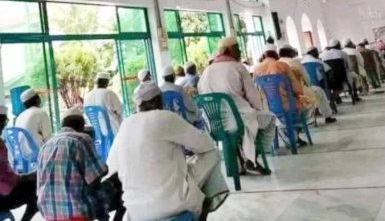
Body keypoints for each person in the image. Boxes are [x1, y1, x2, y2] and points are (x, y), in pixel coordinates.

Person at [106, 82, 229, 221]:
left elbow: (110, 166)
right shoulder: (166, 117)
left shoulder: (126, 124)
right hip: (172, 206)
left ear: (137, 105)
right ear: (160, 100)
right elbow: (205, 144)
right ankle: (206, 204)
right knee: (212, 152)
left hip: (135, 212)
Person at [198, 36, 276, 174]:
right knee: (270, 119)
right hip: (239, 121)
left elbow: (201, 94)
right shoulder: (238, 67)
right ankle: (252, 158)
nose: (240, 51)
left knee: (247, 127)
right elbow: (252, 95)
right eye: (238, 48)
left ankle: (243, 157)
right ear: (230, 50)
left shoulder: (207, 71)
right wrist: (258, 109)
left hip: (214, 124)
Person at [37, 107, 124, 221]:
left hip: (49, 213)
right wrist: (106, 169)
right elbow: (94, 179)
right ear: (81, 126)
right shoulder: (81, 139)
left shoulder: (45, 146)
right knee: (119, 182)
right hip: (77, 212)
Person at [278, 45, 337, 123]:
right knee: (319, 91)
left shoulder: (277, 64)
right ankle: (328, 116)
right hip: (299, 94)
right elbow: (307, 79)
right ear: (290, 53)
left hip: (282, 95)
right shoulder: (295, 62)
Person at [0, 106, 38, 221]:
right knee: (35, 190)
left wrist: (20, 178)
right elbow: (4, 179)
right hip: (2, 196)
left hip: (5, 188)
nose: (4, 126)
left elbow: (6, 171)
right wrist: (19, 179)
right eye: (2, 121)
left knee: (32, 182)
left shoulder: (1, 142)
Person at [15, 88, 52, 155]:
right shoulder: (41, 113)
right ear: (37, 99)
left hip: (23, 154)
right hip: (38, 152)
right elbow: (48, 138)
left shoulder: (19, 117)